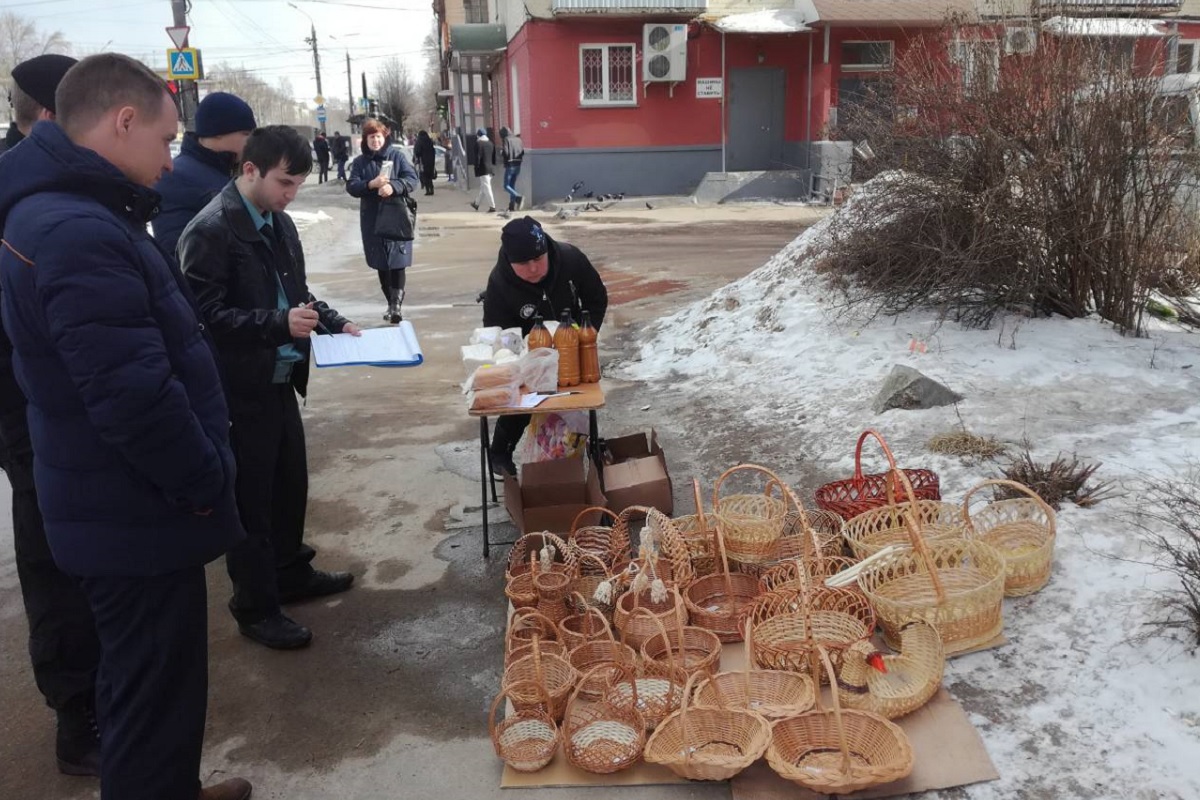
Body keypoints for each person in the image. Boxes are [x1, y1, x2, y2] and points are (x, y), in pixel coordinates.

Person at [0, 53, 250, 800]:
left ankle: (169, 785)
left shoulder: (66, 211)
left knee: (154, 687)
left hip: (117, 507)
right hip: (133, 511)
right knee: (148, 697)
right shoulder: (76, 231)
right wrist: (206, 479)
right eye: (166, 141)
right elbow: (133, 398)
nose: (171, 163)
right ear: (123, 120)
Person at [179, 125, 359, 651]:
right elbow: (203, 319)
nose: (291, 194)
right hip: (238, 388)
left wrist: (333, 320)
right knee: (251, 500)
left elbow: (295, 293)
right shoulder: (211, 230)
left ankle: (290, 573)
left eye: (298, 184)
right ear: (249, 169)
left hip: (279, 380)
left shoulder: (277, 223)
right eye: (285, 182)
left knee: (289, 485)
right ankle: (255, 605)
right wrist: (278, 325)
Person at [0, 52, 103, 779]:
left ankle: (101, 705)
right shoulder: (22, 192)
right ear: (52, 113)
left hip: (47, 399)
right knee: (58, 560)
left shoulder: (42, 181)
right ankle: (80, 719)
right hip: (30, 406)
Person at [481, 216, 608, 475]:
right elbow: (498, 333)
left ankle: (572, 451)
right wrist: (519, 360)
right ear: (510, 260)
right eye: (523, 264)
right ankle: (500, 452)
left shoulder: (571, 259)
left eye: (538, 259)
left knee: (578, 398)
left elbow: (597, 297)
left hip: (571, 344)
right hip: (530, 352)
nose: (533, 269)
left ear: (547, 251)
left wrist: (589, 331)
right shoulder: (499, 283)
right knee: (524, 402)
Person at [153, 91, 256, 257]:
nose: (250, 142)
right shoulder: (177, 177)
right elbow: (179, 251)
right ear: (218, 132)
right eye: (245, 134)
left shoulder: (226, 172)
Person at [346, 118, 419, 324]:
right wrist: (371, 184)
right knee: (381, 263)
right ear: (365, 139)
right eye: (371, 137)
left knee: (398, 262)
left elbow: (413, 180)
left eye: (378, 136)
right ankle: (390, 303)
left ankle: (396, 307)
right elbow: (352, 186)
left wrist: (393, 187)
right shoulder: (360, 162)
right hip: (372, 219)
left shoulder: (397, 156)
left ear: (384, 137)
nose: (375, 141)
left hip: (396, 217)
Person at [499, 126, 525, 215]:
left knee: (506, 186)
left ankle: (518, 197)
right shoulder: (518, 139)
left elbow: (505, 152)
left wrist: (501, 152)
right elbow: (523, 152)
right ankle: (511, 206)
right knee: (512, 185)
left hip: (510, 165)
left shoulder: (506, 139)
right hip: (518, 164)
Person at [471, 127, 496, 213]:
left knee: (487, 188)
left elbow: (477, 157)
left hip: (483, 169)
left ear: (478, 135)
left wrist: (476, 167)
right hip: (490, 169)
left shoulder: (478, 144)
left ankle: (492, 206)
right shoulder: (491, 143)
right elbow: (493, 157)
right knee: (483, 187)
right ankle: (476, 204)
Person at [413, 129, 437, 196]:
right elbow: (433, 151)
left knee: (425, 175)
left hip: (423, 161)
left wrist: (417, 158)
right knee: (430, 175)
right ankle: (431, 189)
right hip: (431, 161)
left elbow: (417, 151)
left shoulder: (419, 141)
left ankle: (427, 190)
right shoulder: (429, 141)